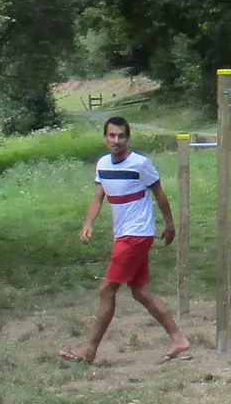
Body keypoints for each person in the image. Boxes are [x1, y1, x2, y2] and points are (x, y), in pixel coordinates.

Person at [60, 116, 191, 364]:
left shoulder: (140, 164)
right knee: (141, 291)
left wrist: (170, 226)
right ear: (105, 138)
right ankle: (177, 339)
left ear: (128, 138)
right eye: (111, 135)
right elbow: (98, 196)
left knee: (106, 288)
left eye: (121, 136)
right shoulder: (102, 164)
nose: (116, 140)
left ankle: (89, 348)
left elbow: (160, 195)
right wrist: (88, 222)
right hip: (123, 234)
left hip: (136, 234)